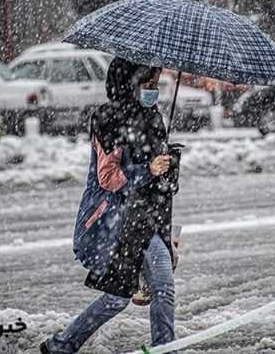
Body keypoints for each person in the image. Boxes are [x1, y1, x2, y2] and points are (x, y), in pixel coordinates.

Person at [41, 58, 178, 354]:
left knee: (153, 289)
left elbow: (157, 182)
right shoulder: (108, 119)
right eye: (148, 84)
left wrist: (168, 167)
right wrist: (148, 169)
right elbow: (109, 178)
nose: (153, 91)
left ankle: (163, 348)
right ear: (129, 83)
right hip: (118, 221)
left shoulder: (153, 117)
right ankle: (62, 346)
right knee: (126, 295)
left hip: (147, 216)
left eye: (156, 84)